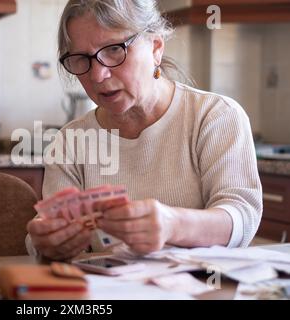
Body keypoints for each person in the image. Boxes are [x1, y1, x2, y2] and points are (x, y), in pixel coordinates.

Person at [26, 0, 262, 261]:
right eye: (82, 59)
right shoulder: (71, 141)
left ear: (156, 47)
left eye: (114, 50)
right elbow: (49, 232)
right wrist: (46, 242)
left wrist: (173, 224)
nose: (97, 75)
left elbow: (242, 217)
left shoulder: (215, 116)